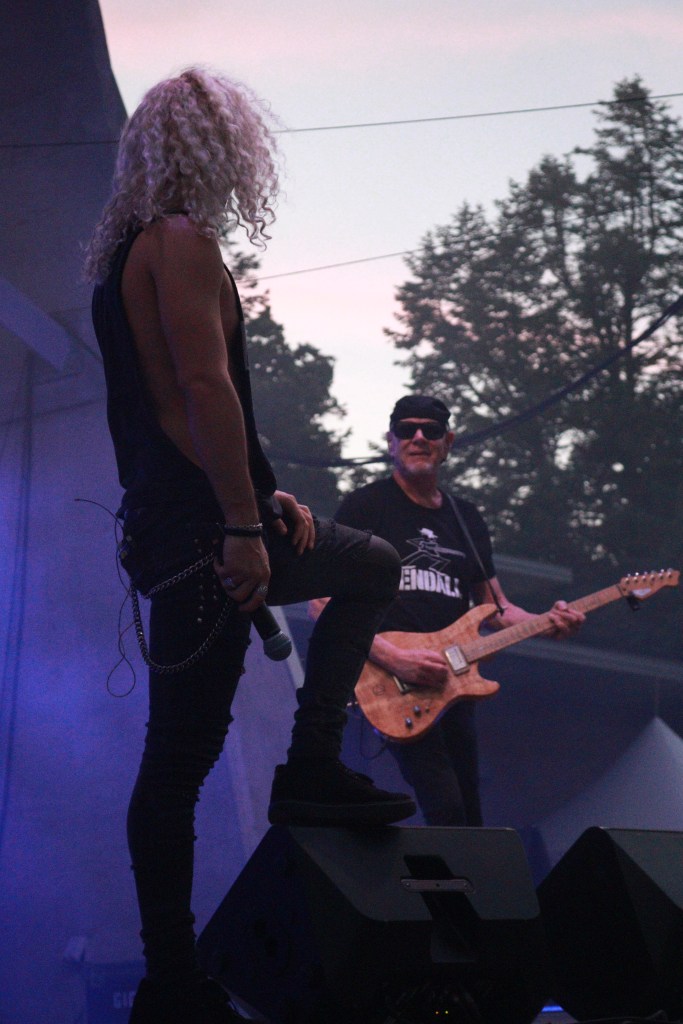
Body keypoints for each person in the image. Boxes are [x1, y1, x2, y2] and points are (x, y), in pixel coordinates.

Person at [84, 68, 415, 1024]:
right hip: (203, 532)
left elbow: (167, 408)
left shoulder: (128, 258)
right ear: (220, 149)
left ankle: (175, 973)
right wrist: (239, 524)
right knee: (177, 764)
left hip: (176, 521)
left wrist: (258, 493)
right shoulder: (182, 240)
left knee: (365, 566)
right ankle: (172, 980)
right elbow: (201, 389)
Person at [311, 394, 584, 828]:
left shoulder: (466, 518)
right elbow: (321, 599)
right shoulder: (367, 505)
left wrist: (547, 622)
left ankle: (458, 875)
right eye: (407, 430)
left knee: (469, 815)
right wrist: (392, 657)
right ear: (391, 442)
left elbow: (495, 608)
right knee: (446, 806)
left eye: (431, 430)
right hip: (392, 681)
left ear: (448, 442)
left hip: (453, 682)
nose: (419, 437)